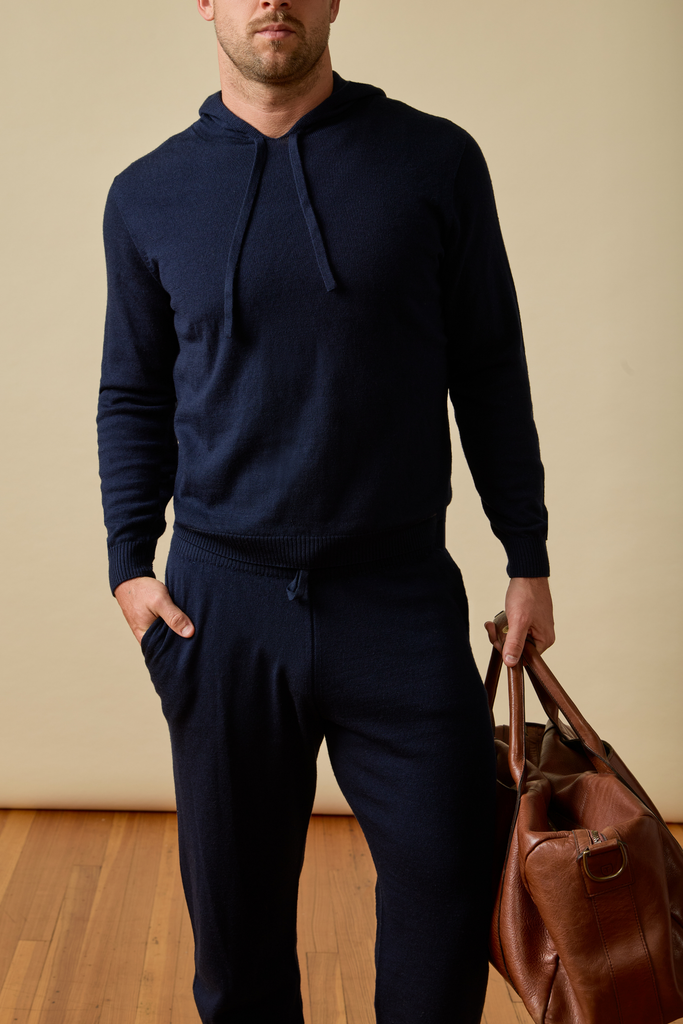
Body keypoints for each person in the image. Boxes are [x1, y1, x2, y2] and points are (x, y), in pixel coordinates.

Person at [97, 0, 555, 1020]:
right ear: (206, 2)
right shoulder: (147, 195)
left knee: (442, 906)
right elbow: (133, 390)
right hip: (222, 610)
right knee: (236, 935)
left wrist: (525, 553)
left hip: (396, 600)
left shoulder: (432, 163)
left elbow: (488, 367)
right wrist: (131, 564)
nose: (273, 1)